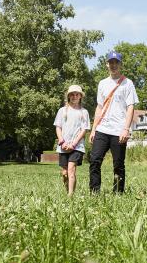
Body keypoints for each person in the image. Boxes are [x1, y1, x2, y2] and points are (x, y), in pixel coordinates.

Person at [89, 51, 138, 193]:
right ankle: (94, 193)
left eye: (116, 62)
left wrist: (126, 129)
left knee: (118, 164)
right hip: (102, 129)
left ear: (120, 65)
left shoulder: (128, 83)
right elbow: (99, 107)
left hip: (119, 130)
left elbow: (131, 107)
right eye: (111, 62)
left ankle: (118, 193)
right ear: (107, 64)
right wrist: (93, 129)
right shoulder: (102, 83)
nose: (113, 65)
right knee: (95, 161)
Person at [54, 85, 90, 196]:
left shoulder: (84, 112)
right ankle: (67, 192)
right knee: (64, 173)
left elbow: (84, 130)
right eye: (72, 94)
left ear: (80, 96)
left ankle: (70, 196)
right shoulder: (62, 111)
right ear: (69, 96)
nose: (75, 96)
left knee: (71, 170)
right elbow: (58, 127)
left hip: (77, 146)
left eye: (77, 94)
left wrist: (74, 144)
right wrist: (62, 141)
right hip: (63, 146)